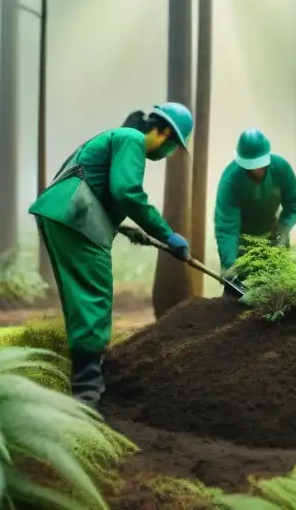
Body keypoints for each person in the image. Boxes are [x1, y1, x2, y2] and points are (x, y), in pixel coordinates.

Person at [29, 102, 194, 407]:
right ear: (164, 132)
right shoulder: (132, 139)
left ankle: (86, 379)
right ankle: (88, 394)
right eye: (173, 146)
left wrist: (127, 228)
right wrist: (165, 233)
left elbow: (95, 184)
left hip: (63, 213)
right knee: (94, 294)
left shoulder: (116, 137)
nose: (169, 154)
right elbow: (127, 191)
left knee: (83, 295)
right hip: (75, 218)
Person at [214, 129, 296, 294]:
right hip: (241, 245)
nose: (256, 170)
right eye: (251, 166)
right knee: (235, 297)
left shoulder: (281, 169)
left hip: (274, 239)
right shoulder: (230, 180)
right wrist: (229, 263)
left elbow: (295, 201)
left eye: (260, 165)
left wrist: (285, 226)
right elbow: (226, 226)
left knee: (280, 293)